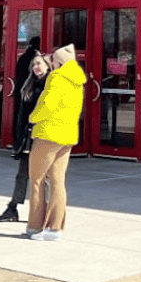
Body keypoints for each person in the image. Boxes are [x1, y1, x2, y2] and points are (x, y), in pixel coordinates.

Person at [25, 43, 86, 242]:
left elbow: (48, 105)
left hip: (48, 133)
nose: (50, 62)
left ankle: (35, 226)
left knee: (36, 181)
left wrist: (33, 117)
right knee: (58, 181)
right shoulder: (76, 81)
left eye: (52, 59)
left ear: (58, 61)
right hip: (67, 135)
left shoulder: (57, 78)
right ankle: (55, 228)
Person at [0, 51, 51, 222]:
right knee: (22, 174)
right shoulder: (29, 84)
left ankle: (44, 211)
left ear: (48, 66)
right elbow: (22, 114)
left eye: (39, 64)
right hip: (27, 136)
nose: (36, 68)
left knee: (43, 176)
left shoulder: (50, 86)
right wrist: (18, 136)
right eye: (34, 65)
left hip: (42, 136)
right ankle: (13, 208)